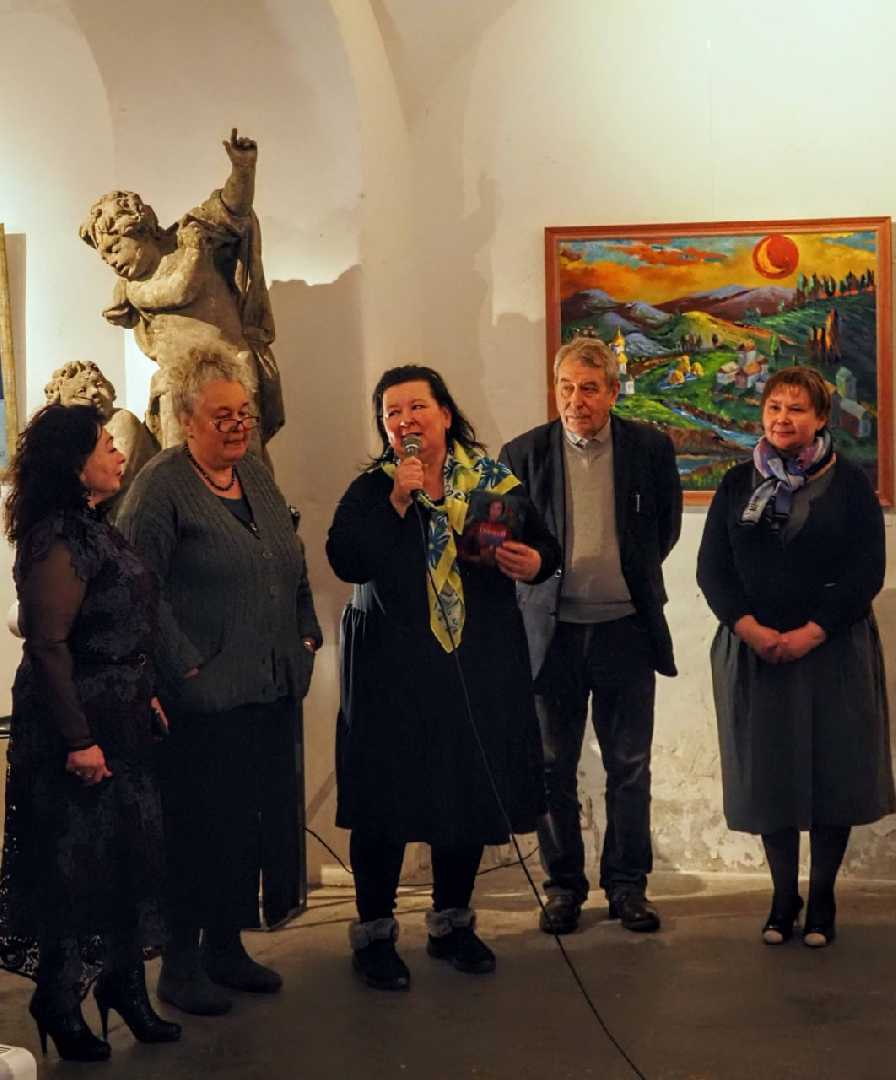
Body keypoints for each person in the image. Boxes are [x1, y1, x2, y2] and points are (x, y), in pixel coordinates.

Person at [327, 364, 560, 991]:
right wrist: (398, 501)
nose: (405, 421)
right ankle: (375, 935)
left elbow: (547, 549)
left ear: (445, 415)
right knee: (386, 801)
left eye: (416, 408)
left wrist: (535, 561)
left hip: (473, 667)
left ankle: (452, 923)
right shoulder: (374, 488)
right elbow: (346, 558)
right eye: (392, 413)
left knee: (464, 792)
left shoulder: (492, 483)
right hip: (392, 677)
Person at [116, 353, 321, 1015]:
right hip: (202, 701)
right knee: (199, 832)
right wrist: (185, 666)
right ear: (186, 421)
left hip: (268, 688)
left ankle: (226, 950)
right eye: (221, 416)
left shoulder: (254, 474)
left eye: (244, 414)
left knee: (246, 828)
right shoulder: (161, 486)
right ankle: (180, 966)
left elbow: (289, 561)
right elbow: (135, 586)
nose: (238, 426)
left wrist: (307, 634)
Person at [0, 403, 180, 1062]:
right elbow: (49, 644)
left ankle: (123, 988)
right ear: (76, 464)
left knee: (127, 859)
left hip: (121, 715)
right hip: (75, 723)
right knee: (74, 868)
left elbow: (118, 619)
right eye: (106, 444)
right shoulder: (56, 536)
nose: (119, 453)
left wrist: (144, 689)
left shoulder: (95, 527)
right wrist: (78, 740)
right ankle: (58, 998)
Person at [697, 365, 895, 948]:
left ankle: (823, 897)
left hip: (833, 650)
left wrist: (812, 632)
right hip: (755, 652)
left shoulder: (850, 483)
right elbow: (713, 569)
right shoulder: (738, 483)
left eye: (797, 409)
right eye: (774, 407)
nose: (783, 419)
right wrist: (752, 629)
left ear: (821, 418)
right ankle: (783, 897)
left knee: (834, 773)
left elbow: (867, 571)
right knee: (770, 778)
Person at [499, 336, 682, 935]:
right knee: (553, 766)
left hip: (625, 630)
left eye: (589, 389)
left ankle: (628, 887)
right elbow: (508, 539)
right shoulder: (523, 453)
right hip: (551, 634)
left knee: (629, 766)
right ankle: (563, 888)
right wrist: (533, 566)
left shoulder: (649, 449)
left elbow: (665, 530)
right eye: (566, 388)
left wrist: (621, 574)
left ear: (612, 392)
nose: (576, 401)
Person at [79, 129, 283, 456]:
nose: (112, 262)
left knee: (246, 461)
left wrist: (243, 169)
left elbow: (233, 208)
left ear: (139, 228)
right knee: (181, 465)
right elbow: (179, 291)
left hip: (231, 370)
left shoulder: (193, 233)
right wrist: (195, 254)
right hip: (178, 386)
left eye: (115, 248)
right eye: (105, 258)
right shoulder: (135, 288)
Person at [43, 359, 159, 514]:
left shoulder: (122, 419)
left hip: (131, 513)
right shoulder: (70, 437)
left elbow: (116, 476)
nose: (94, 392)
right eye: (82, 391)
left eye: (98, 384)